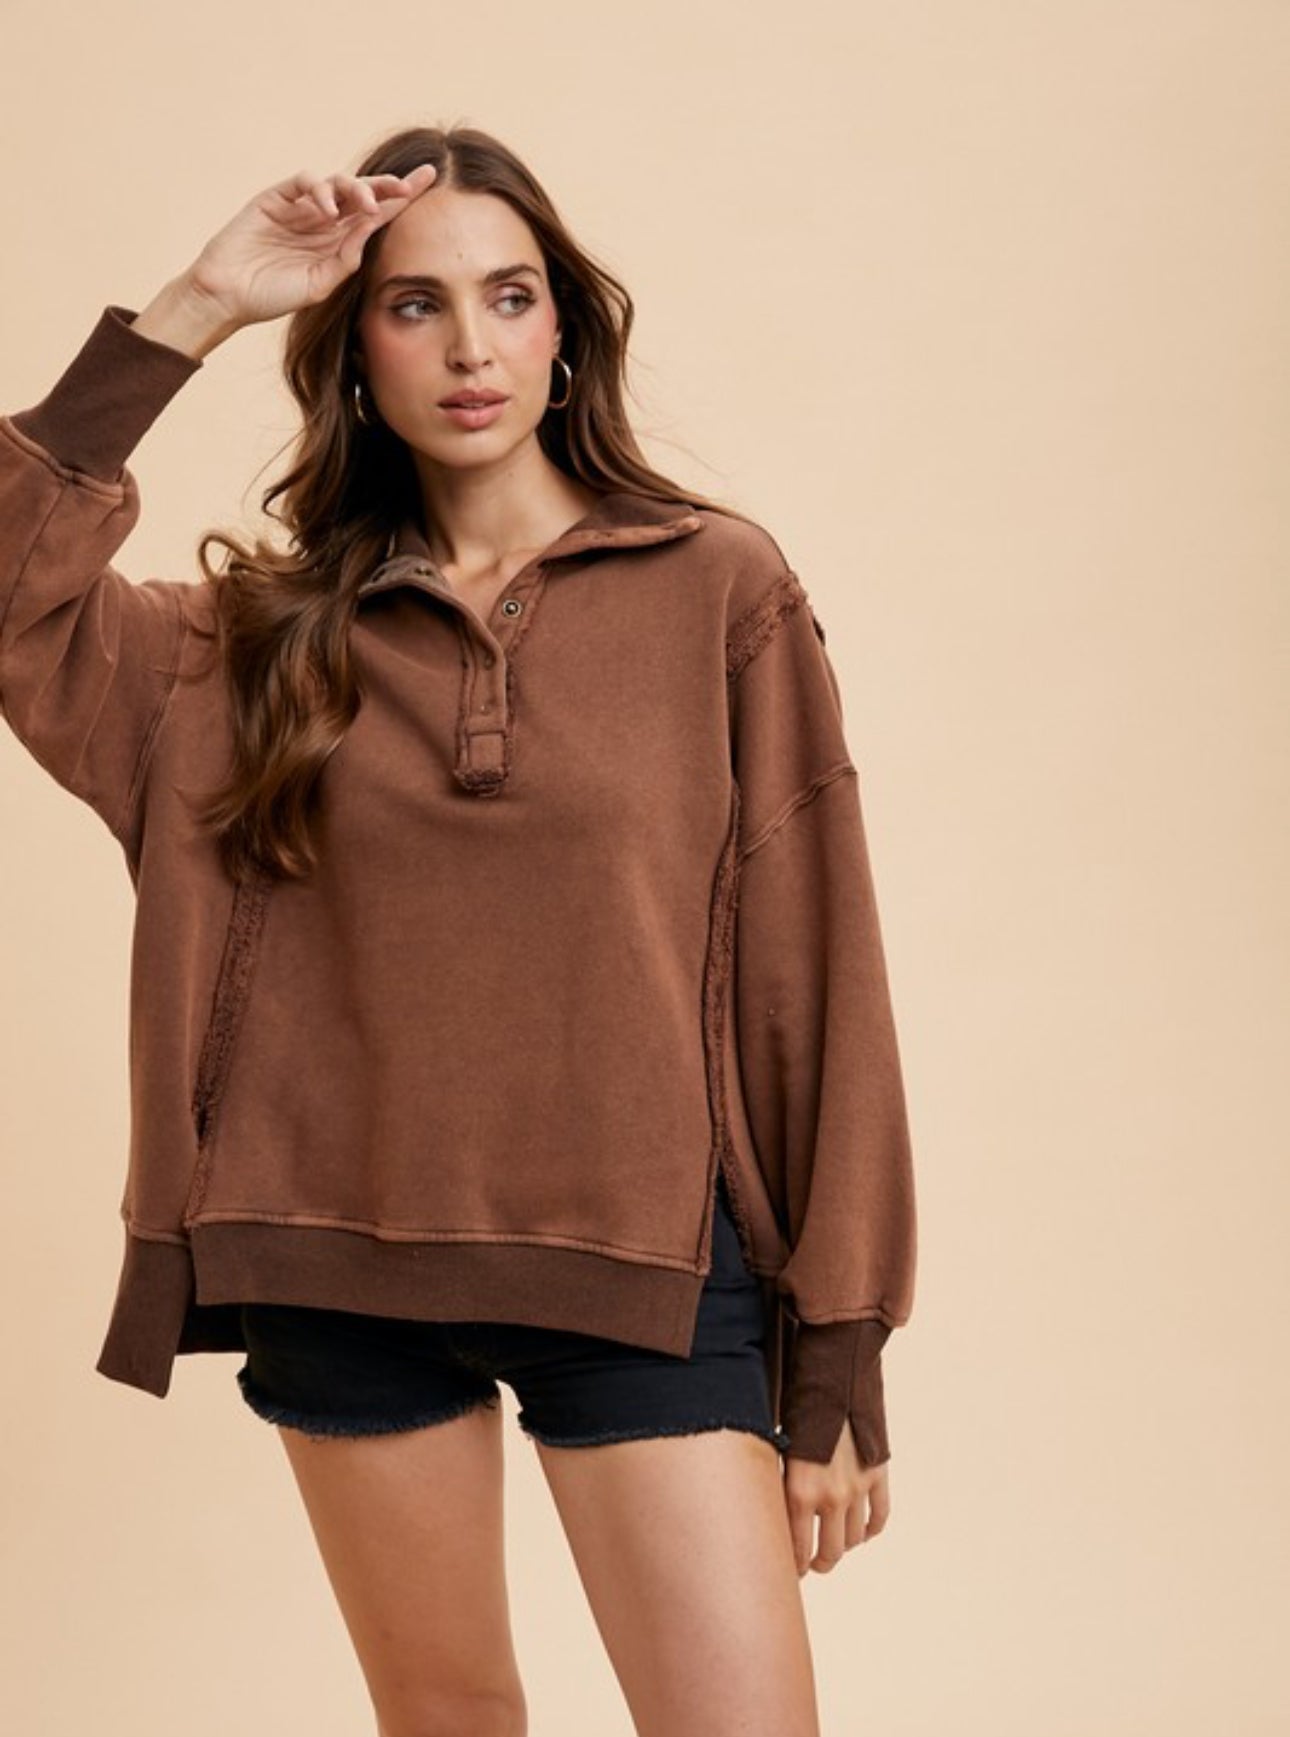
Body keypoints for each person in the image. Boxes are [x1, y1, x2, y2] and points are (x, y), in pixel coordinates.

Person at [0, 124, 917, 1737]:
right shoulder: (247, 645)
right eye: (414, 305)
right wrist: (195, 305)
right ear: (353, 351)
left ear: (566, 332)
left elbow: (815, 969)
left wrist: (836, 1342)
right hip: (333, 1257)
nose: (471, 346)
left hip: (639, 1266)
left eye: (508, 296)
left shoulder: (716, 588)